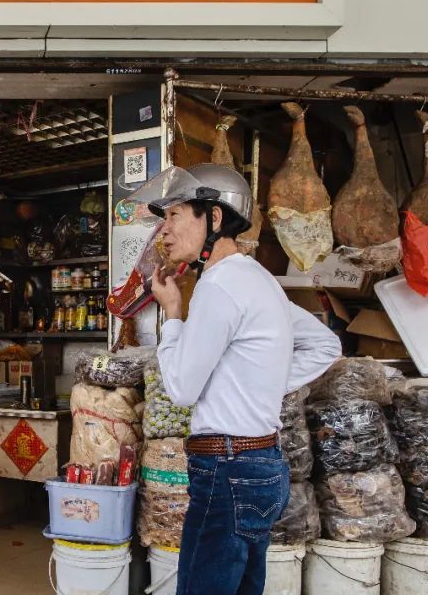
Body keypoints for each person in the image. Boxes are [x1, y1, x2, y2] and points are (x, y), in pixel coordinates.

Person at [136, 164, 341, 595]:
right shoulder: (258, 279)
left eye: (174, 216)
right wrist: (259, 382)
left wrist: (172, 313)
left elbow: (181, 389)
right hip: (263, 465)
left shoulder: (219, 285)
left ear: (213, 217)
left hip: (226, 470)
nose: (163, 230)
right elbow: (326, 344)